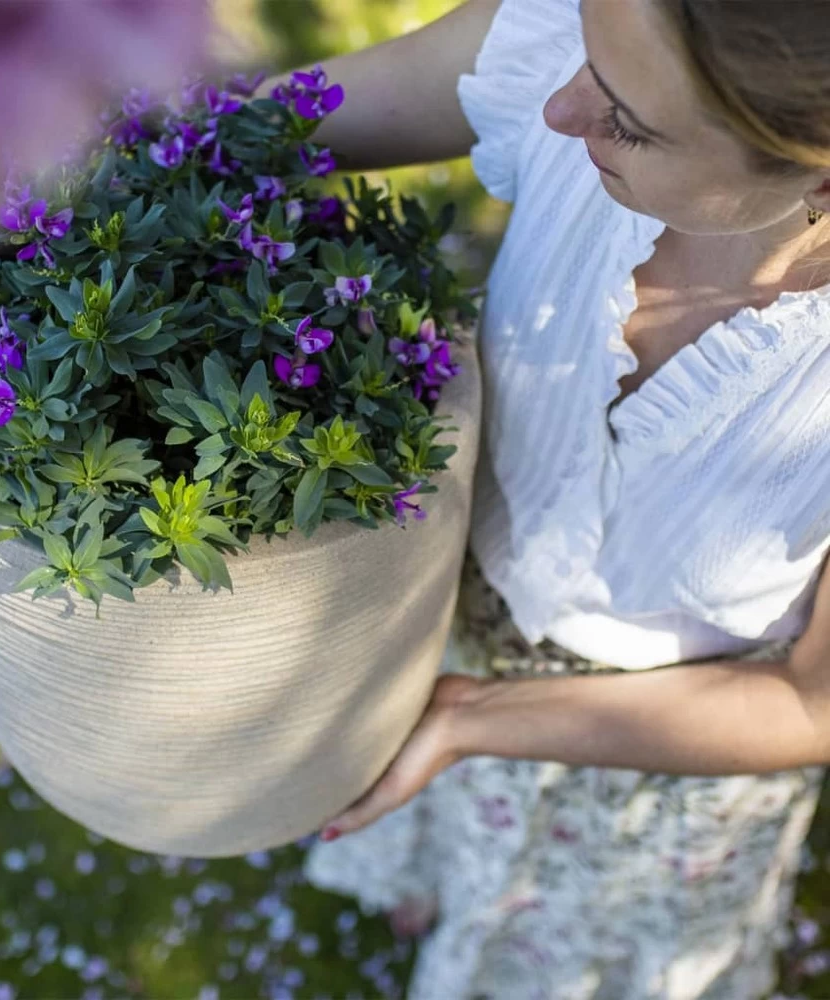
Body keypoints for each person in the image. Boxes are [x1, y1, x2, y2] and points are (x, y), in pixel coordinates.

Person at [280, 0, 830, 996]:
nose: (560, 109)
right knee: (451, 844)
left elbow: (811, 697)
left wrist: (476, 717)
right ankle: (438, 880)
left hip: (667, 755)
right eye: (586, 47)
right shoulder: (587, 39)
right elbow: (256, 127)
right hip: (452, 613)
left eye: (628, 119)